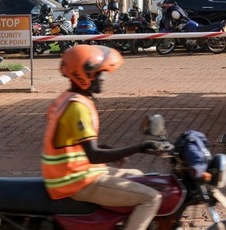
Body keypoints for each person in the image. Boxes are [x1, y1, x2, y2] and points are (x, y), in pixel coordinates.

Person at [41, 45, 162, 230]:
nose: (102, 78)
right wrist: (140, 148)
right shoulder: (78, 107)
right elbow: (94, 156)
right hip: (75, 181)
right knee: (152, 197)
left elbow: (76, 143)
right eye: (98, 73)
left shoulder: (68, 98)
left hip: (73, 173)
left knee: (138, 176)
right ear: (83, 74)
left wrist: (108, 149)